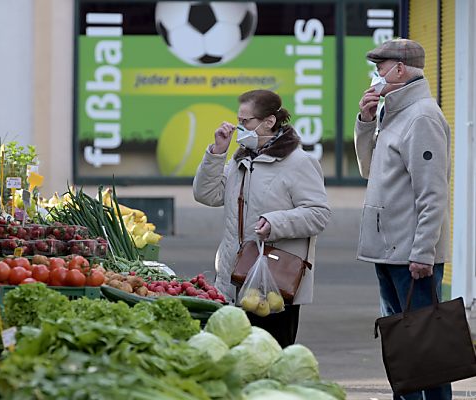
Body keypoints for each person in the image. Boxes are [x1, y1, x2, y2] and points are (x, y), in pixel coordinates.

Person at [193, 89, 331, 347]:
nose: (239, 127)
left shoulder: (299, 162)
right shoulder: (241, 160)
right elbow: (206, 194)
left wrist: (275, 223)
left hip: (275, 284)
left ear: (269, 121)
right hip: (232, 280)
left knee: (271, 358)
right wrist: (216, 153)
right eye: (239, 120)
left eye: (246, 122)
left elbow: (319, 214)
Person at [354, 39, 451, 400]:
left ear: (400, 69)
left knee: (427, 349)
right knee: (402, 345)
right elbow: (368, 169)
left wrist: (423, 252)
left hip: (411, 256)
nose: (376, 73)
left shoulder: (422, 116)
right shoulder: (391, 112)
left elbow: (433, 192)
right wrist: (365, 121)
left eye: (380, 65)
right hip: (388, 249)